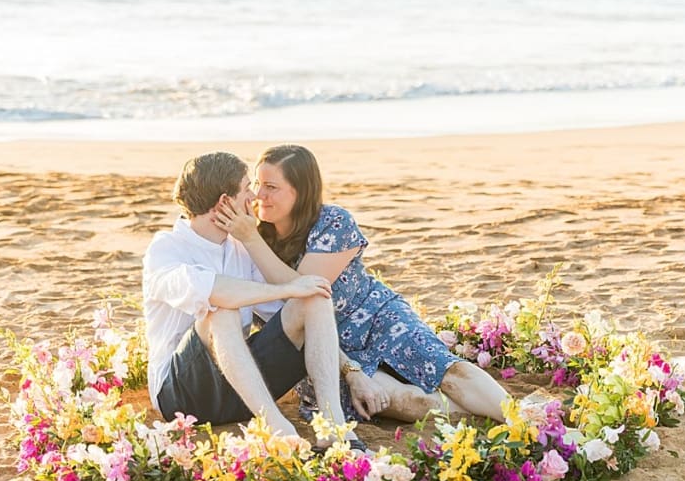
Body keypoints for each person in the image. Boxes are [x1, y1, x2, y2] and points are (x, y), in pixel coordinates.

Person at [214, 144, 509, 424]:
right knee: (402, 400)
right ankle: (488, 417)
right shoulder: (252, 237)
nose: (259, 195)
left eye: (271, 187)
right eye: (257, 183)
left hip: (375, 317)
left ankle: (517, 416)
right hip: (321, 347)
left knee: (448, 372)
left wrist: (251, 239)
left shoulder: (333, 222)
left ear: (301, 191)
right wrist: (250, 238)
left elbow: (307, 288)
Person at [142, 151, 363, 447]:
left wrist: (350, 370)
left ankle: (333, 427)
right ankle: (278, 430)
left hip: (242, 389)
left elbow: (289, 316)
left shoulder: (239, 247)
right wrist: (288, 288)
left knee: (313, 298)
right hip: (182, 397)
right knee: (221, 311)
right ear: (225, 202)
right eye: (247, 188)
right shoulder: (166, 248)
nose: (255, 197)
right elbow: (216, 291)